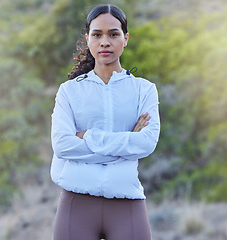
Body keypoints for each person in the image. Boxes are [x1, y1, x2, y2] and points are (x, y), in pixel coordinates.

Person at [50, 4, 160, 240]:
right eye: (97, 34)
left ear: (126, 38)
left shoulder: (144, 90)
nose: (105, 42)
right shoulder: (69, 91)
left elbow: (147, 144)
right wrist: (126, 142)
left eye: (113, 34)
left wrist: (87, 136)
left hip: (127, 203)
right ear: (88, 39)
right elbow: (62, 146)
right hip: (76, 204)